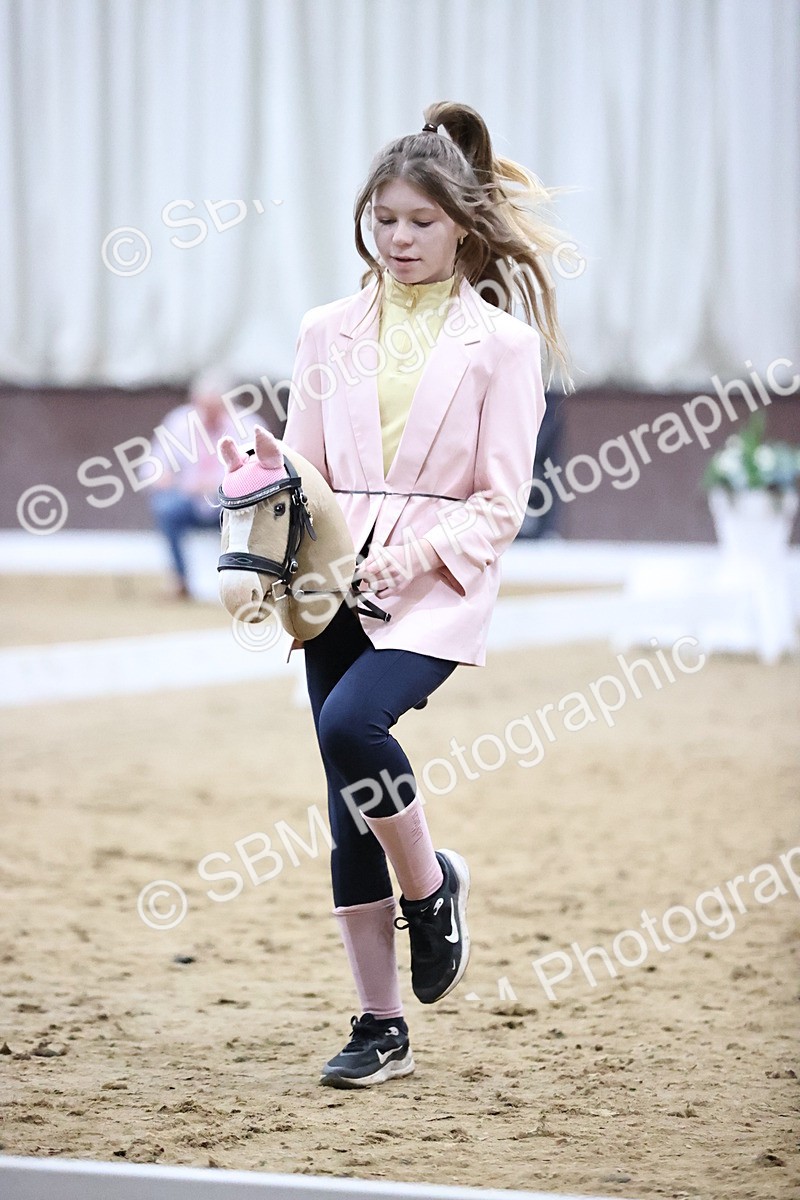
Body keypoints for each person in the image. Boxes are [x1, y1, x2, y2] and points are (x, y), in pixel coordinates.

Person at [283, 101, 573, 1088]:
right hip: (331, 583)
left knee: (352, 727)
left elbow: (501, 504)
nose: (397, 238)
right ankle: (379, 1027)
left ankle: (430, 886)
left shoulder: (501, 346)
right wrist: (277, 544)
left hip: (437, 584)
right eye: (383, 219)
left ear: (459, 226)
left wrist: (410, 560)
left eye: (418, 220)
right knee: (343, 805)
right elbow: (303, 473)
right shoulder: (325, 330)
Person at [149, 369, 256, 598]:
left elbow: (257, 472)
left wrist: (217, 484)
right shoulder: (179, 422)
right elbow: (153, 463)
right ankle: (180, 580)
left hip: (232, 503)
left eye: (214, 408)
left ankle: (244, 582)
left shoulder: (248, 425)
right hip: (187, 500)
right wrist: (162, 474)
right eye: (203, 407)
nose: (207, 414)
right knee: (166, 507)